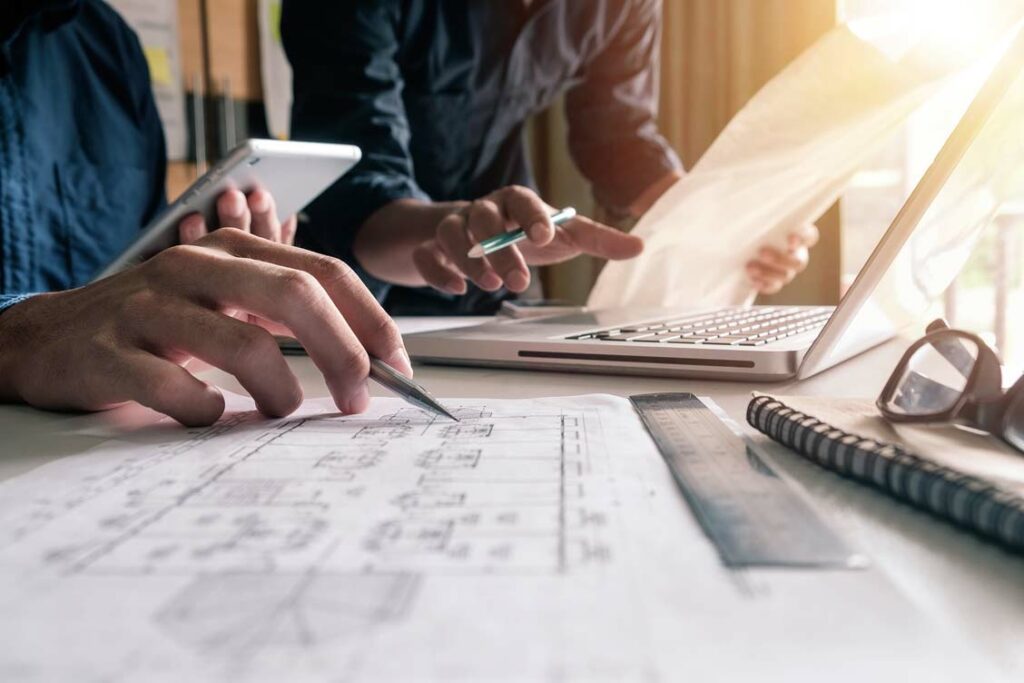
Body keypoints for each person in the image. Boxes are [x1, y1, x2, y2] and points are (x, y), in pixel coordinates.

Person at [0, 0, 411, 426]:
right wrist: (18, 333)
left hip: (111, 433)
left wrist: (198, 280)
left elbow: (130, 278)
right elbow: (72, 320)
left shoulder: (105, 43)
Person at [281, 0, 820, 315]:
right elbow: (358, 168)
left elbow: (618, 135)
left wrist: (728, 222)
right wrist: (449, 227)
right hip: (351, 274)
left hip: (504, 258)